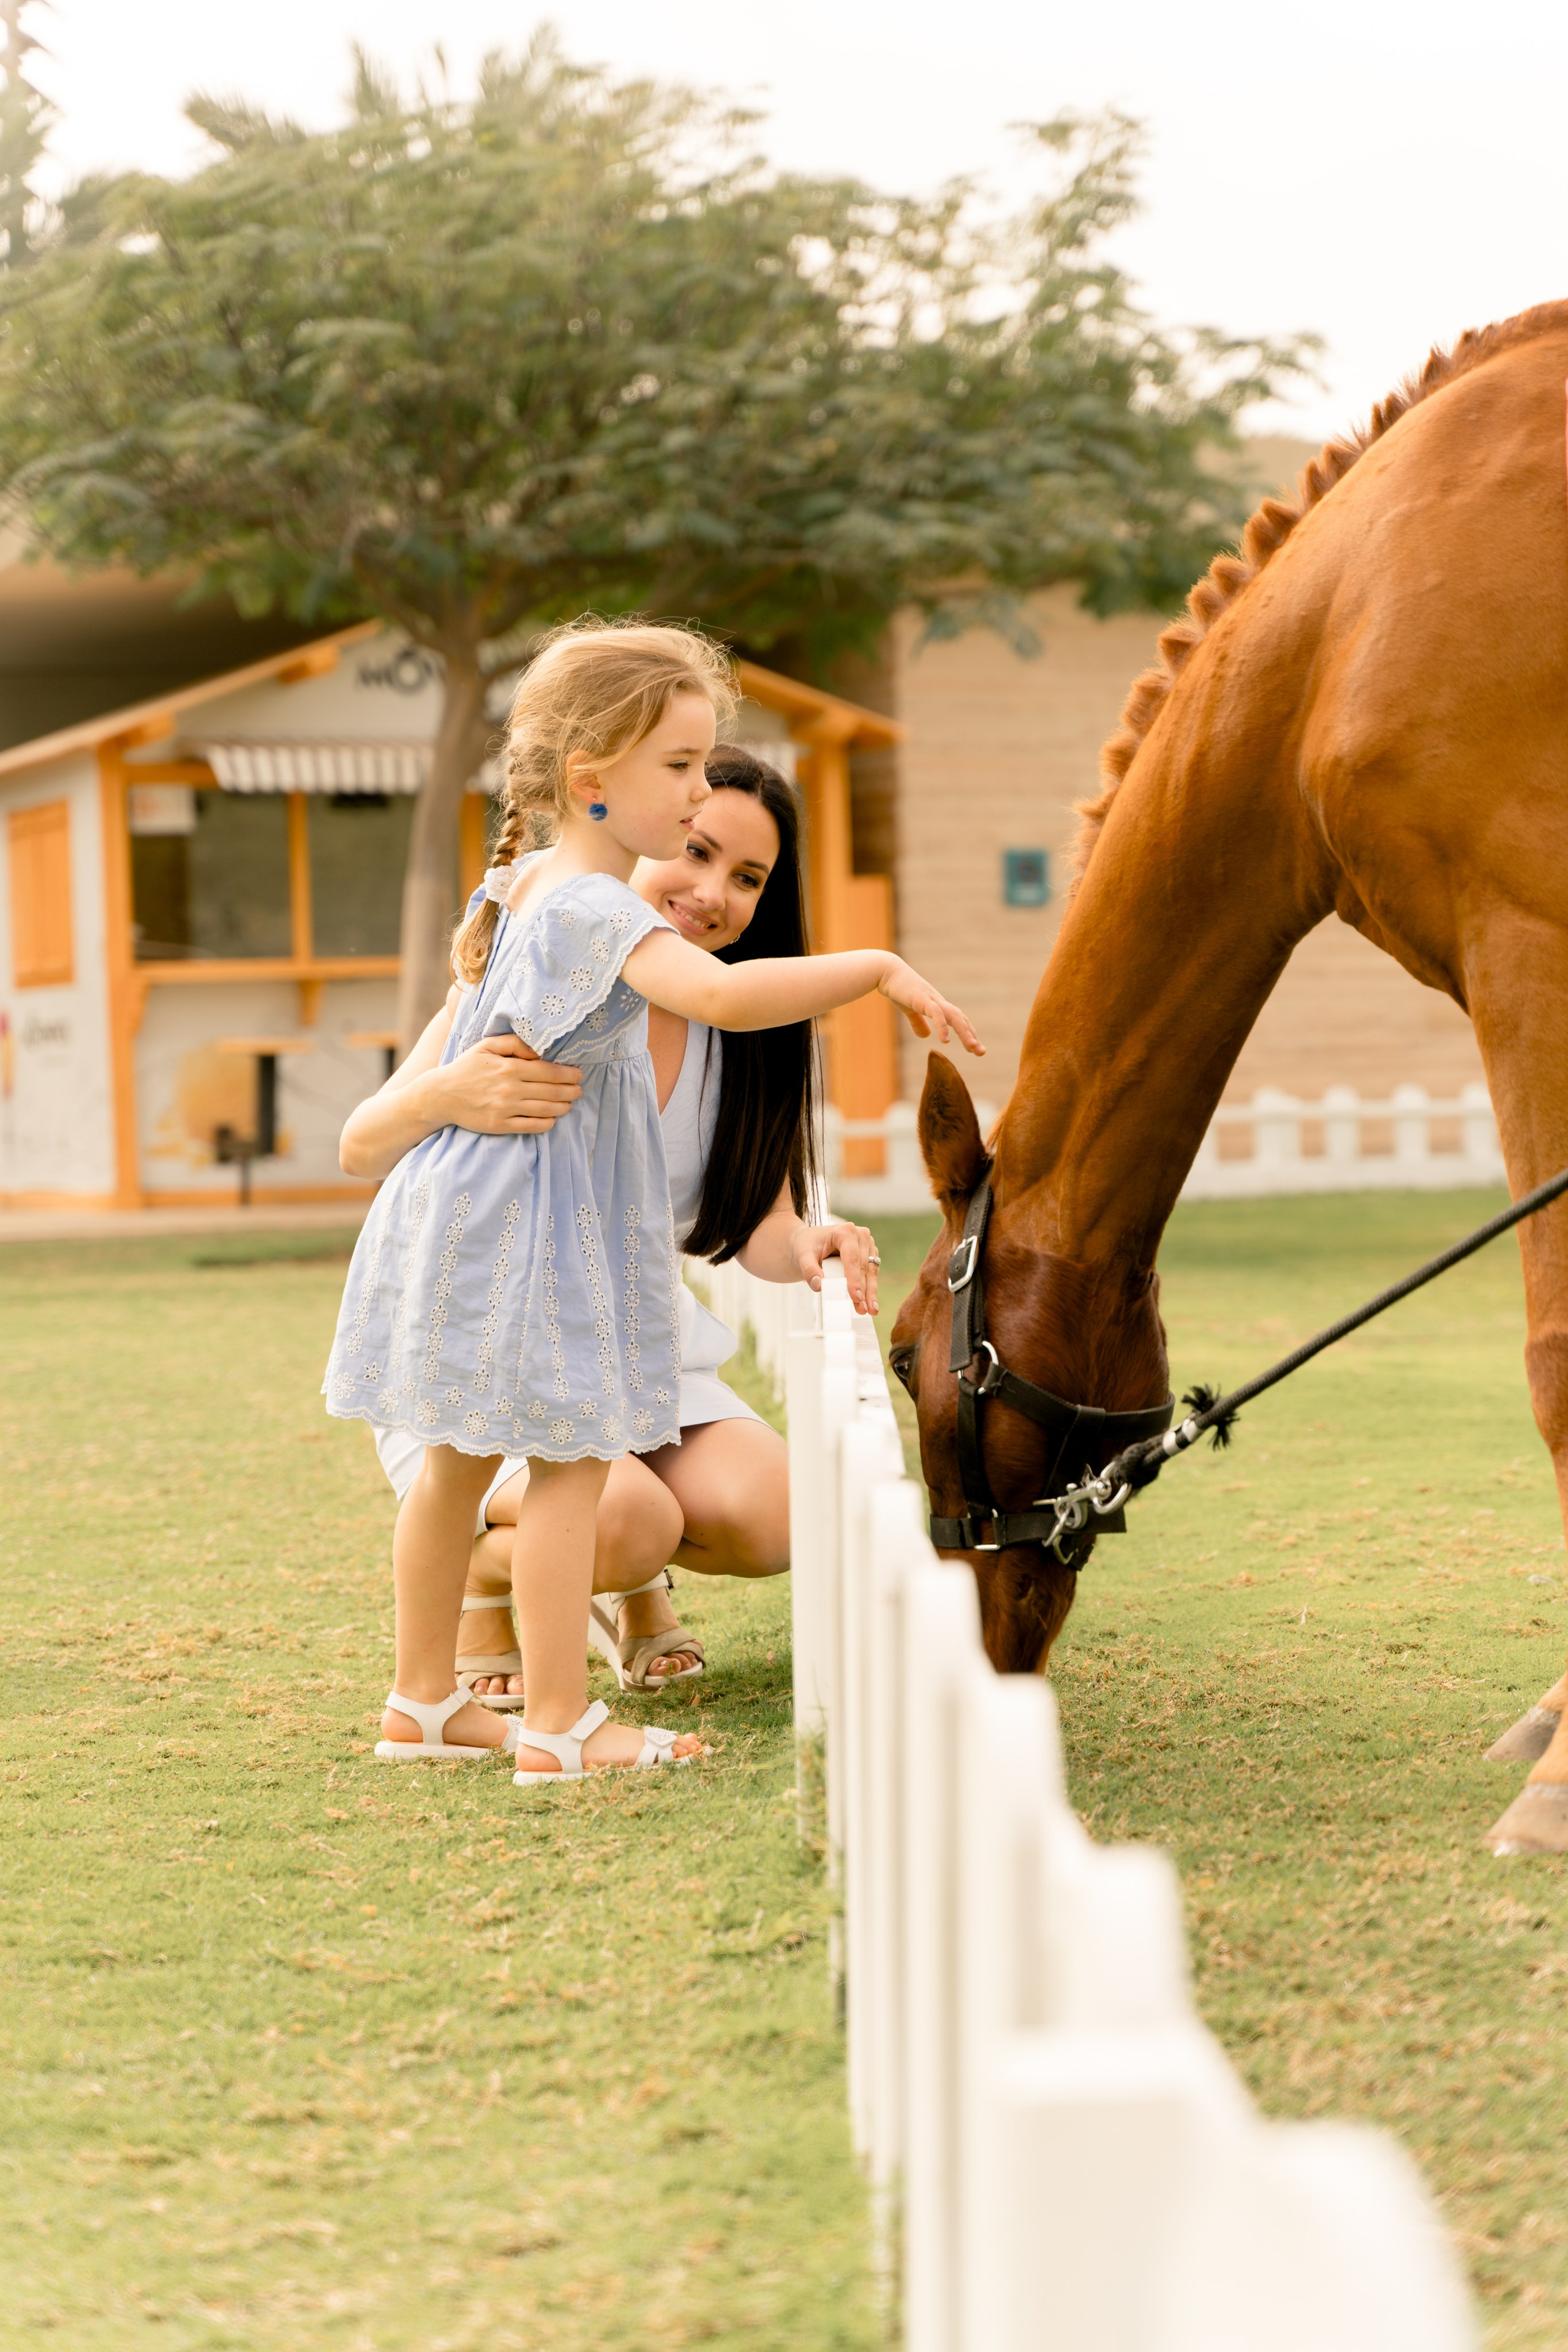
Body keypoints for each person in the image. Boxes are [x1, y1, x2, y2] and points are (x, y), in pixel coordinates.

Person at [324, 617, 982, 1784]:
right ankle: (560, 1725)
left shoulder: (520, 888)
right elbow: (721, 997)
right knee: (574, 1475)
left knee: (456, 1474)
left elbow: (717, 1052)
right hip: (537, 1250)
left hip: (471, 1233)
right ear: (591, 780)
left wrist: (801, 1236)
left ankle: (420, 1704)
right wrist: (878, 969)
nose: (694, 794)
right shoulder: (597, 910)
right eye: (679, 768)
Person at [347, 744, 882, 1706]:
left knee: (777, 1514)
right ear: (643, 822)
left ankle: (628, 1577)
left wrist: (808, 1241)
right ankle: (489, 1583)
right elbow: (360, 1145)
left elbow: (755, 1219)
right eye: (699, 849)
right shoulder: (534, 965)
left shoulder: (739, 1030)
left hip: (630, 1342)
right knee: (628, 1521)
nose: (713, 892)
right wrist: (450, 1092)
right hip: (500, 1342)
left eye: (748, 878)